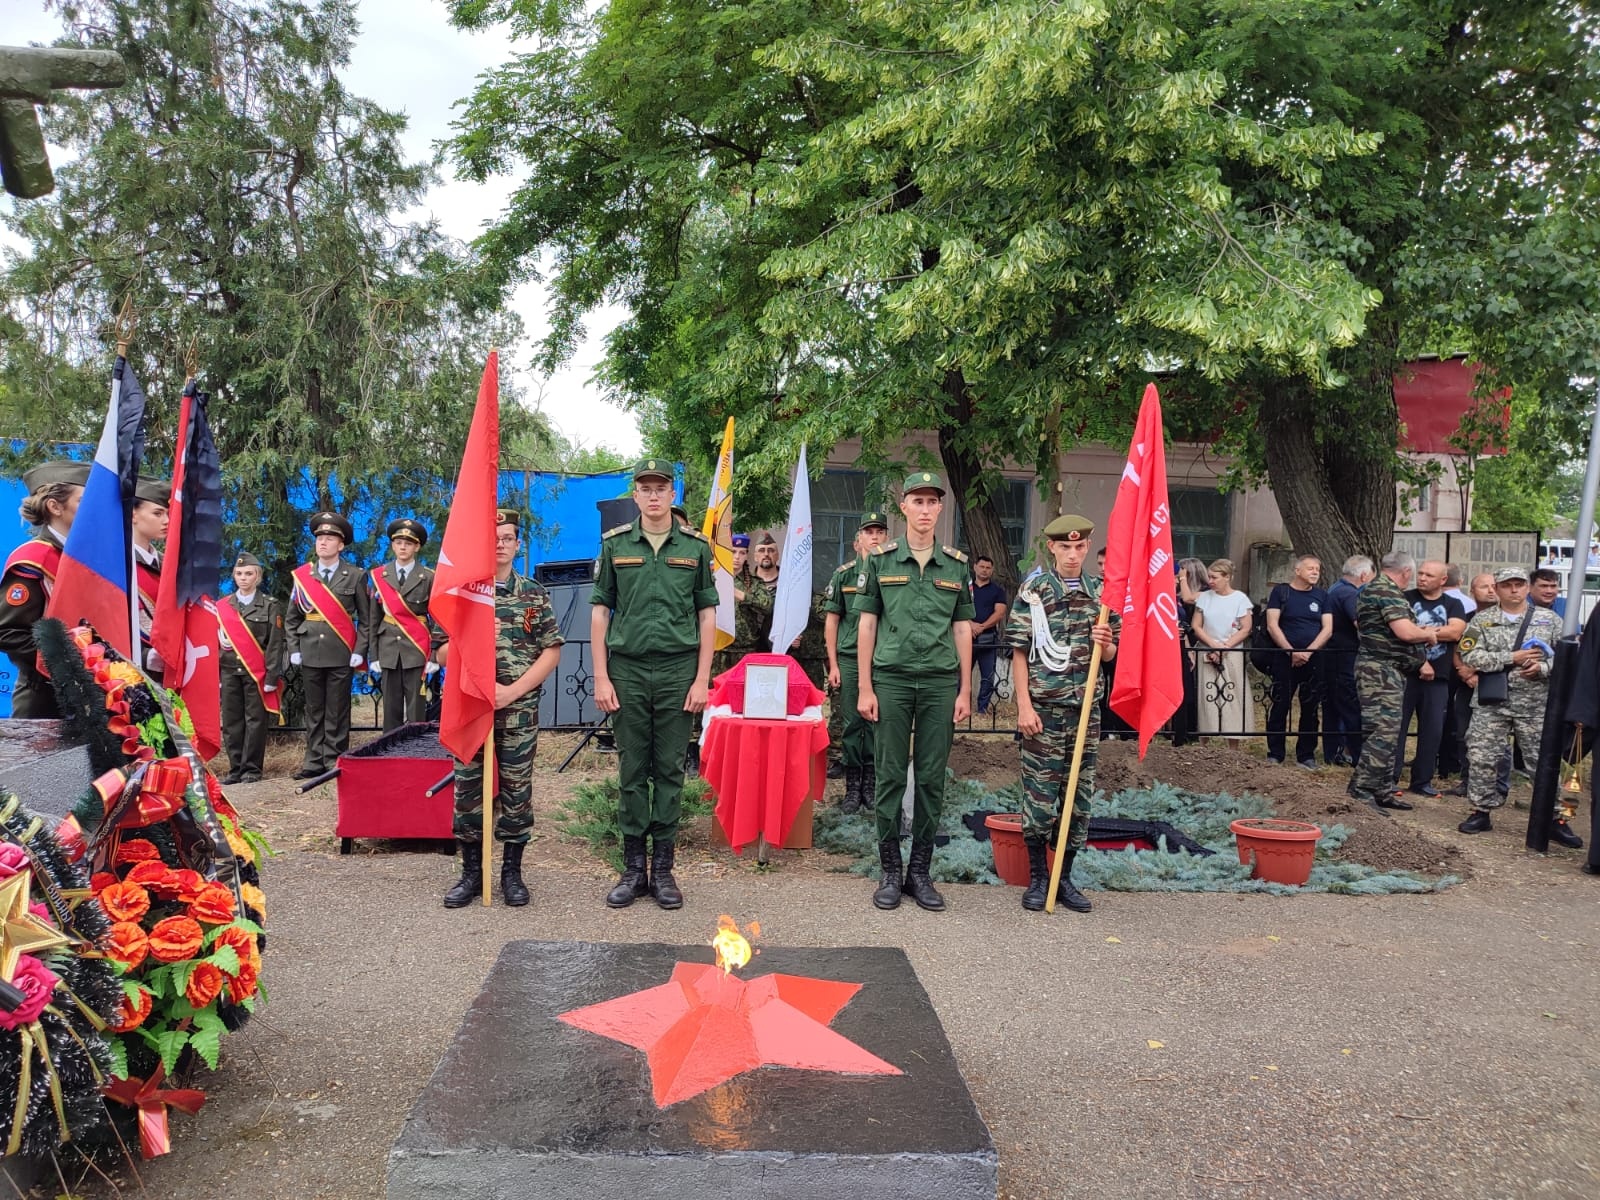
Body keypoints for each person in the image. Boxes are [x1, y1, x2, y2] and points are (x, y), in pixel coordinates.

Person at [591, 459, 718, 911]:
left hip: (677, 672)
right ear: (636, 495)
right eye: (644, 488)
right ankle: (632, 871)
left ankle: (662, 871)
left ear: (671, 494)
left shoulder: (696, 548)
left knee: (668, 771)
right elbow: (600, 612)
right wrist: (602, 676)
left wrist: (702, 678)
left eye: (660, 488)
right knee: (631, 771)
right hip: (625, 670)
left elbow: (707, 616)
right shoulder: (615, 545)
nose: (652, 496)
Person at [857, 470, 974, 912]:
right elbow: (867, 624)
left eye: (932, 502)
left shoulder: (956, 565)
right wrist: (865, 686)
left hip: (941, 683)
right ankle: (890, 872)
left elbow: (962, 628)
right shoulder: (880, 561)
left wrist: (965, 690)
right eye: (917, 502)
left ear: (940, 508)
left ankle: (920, 873)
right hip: (892, 679)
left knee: (929, 778)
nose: (925, 510)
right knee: (888, 775)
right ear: (903, 507)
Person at [438, 510, 565, 908]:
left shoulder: (532, 592)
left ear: (517, 544)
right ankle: (472, 873)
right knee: (468, 790)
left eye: (507, 538)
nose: (499, 544)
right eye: (492, 538)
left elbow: (552, 650)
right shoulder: (464, 594)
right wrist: (474, 677)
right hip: (471, 706)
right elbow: (441, 652)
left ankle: (511, 873)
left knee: (516, 790)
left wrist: (512, 692)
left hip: (519, 708)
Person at [1006, 514, 1118, 913]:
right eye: (1065, 547)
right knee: (1040, 797)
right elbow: (1019, 650)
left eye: (1079, 547)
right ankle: (1038, 879)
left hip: (1085, 711)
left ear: (1088, 548)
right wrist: (1023, 706)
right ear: (1051, 547)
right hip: (1045, 709)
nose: (1073, 554)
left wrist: (1105, 643)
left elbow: (1110, 655)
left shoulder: (1101, 591)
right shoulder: (1035, 590)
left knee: (1078, 798)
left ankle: (1064, 879)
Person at [1457, 566, 1575, 843]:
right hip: (1492, 702)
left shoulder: (1549, 620)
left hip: (1535, 703)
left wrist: (1543, 667)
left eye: (1519, 584)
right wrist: (1512, 657)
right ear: (1496, 589)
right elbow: (1469, 655)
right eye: (1507, 585)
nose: (1514, 590)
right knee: (1483, 757)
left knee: (1541, 760)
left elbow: (1567, 658)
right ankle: (1481, 810)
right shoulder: (1481, 621)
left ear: (1527, 588)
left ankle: (1555, 817)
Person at [1346, 552, 1440, 811]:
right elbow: (1405, 632)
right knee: (1383, 733)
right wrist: (1428, 634)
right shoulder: (1386, 591)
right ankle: (1361, 790)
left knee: (1389, 731)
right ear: (1406, 572)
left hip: (1388, 670)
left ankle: (1382, 789)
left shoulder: (1375, 589)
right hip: (1379, 672)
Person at [286, 511, 372, 779]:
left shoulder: (355, 576)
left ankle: (335, 760)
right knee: (314, 710)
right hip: (310, 652)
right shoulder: (303, 577)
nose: (323, 542)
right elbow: (291, 619)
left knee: (337, 710)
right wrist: (294, 649)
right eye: (320, 537)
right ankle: (312, 761)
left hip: (341, 652)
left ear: (341, 544)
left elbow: (366, 620)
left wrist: (359, 651)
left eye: (330, 538)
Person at [0, 461, 88, 718]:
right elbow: (7, 631)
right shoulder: (33, 558)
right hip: (43, 702)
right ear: (55, 506)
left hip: (93, 698)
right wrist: (66, 664)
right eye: (83, 501)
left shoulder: (87, 559)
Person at [824, 510, 889, 812]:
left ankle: (871, 784)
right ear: (858, 540)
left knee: (878, 722)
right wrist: (833, 664)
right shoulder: (844, 575)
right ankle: (852, 786)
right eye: (869, 532)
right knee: (852, 723)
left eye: (880, 532)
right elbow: (832, 621)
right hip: (850, 658)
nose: (875, 537)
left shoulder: (893, 571)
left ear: (887, 538)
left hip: (883, 659)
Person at [1391, 560, 1467, 797]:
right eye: (1420, 573)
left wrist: (1419, 632)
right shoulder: (1404, 598)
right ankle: (1390, 779)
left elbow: (1455, 631)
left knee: (1433, 730)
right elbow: (1400, 634)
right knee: (1397, 728)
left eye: (1429, 575)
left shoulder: (1453, 604)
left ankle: (1422, 781)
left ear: (1443, 580)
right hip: (1406, 674)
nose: (1422, 578)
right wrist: (1431, 635)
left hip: (1439, 677)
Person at [217, 552, 285, 784]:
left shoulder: (270, 605)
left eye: (249, 573)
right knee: (232, 720)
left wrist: (271, 676)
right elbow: (211, 641)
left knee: (255, 720)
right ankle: (235, 768)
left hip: (256, 673)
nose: (243, 578)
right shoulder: (223, 606)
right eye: (239, 574)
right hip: (228, 670)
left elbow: (275, 644)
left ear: (258, 577)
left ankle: (252, 769)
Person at [368, 517, 439, 732]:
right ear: (392, 545)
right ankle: (390, 751)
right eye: (398, 542)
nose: (403, 547)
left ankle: (415, 750)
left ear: (417, 547)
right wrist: (375, 655)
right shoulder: (381, 576)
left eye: (408, 543)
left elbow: (436, 619)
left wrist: (434, 656)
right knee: (390, 706)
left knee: (417, 706)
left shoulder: (428, 577)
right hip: (388, 648)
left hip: (416, 648)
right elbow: (373, 619)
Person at [1264, 554, 1332, 767]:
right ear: (1297, 570)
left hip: (1314, 659)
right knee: (1280, 704)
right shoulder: (1281, 592)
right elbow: (1272, 625)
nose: (1314, 572)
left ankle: (1306, 754)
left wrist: (1308, 652)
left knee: (1310, 707)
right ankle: (1275, 752)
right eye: (1310, 568)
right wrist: (1290, 651)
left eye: (1317, 569)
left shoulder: (1322, 596)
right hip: (1285, 659)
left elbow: (1328, 628)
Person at [1449, 572, 1509, 801]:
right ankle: (1467, 781)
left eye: (1494, 586)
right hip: (1468, 686)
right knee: (1465, 734)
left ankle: (1499, 786)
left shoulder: (1511, 619)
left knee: (1498, 739)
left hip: (1497, 685)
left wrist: (1475, 670)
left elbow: (1509, 655)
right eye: (1484, 587)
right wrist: (1464, 672)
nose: (1491, 590)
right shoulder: (1469, 619)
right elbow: (1461, 651)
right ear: (1472, 592)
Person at [1191, 558, 1253, 737]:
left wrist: (1224, 647)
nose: (1210, 581)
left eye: (1214, 577)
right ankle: (1205, 738)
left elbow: (1245, 628)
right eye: (1209, 577)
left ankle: (1233, 738)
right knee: (1207, 695)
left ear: (1227, 577)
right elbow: (1197, 625)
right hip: (1208, 650)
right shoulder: (1205, 597)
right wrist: (1212, 645)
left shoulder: (1240, 598)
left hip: (1231, 651)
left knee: (1232, 693)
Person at [1323, 555, 1373, 766]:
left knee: (1333, 707)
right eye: (1371, 577)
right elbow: (1362, 625)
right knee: (1350, 706)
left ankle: (1332, 752)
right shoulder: (1349, 594)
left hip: (1332, 655)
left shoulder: (1334, 588)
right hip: (1345, 657)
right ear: (1363, 575)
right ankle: (1357, 754)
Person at [131, 477, 170, 679]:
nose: (166, 521)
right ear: (133, 514)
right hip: (128, 678)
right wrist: (145, 656)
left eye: (167, 513)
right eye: (157, 513)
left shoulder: (169, 565)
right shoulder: (116, 565)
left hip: (171, 675)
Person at [1171, 557, 1207, 747]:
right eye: (1176, 577)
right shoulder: (1170, 597)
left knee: (1187, 692)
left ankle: (1183, 733)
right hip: (1170, 648)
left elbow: (1183, 624)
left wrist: (1188, 646)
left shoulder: (1206, 592)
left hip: (1185, 646)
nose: (1178, 580)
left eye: (1181, 576)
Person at [969, 555, 1009, 716]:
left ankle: (982, 709)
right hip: (966, 638)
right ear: (975, 567)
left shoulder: (997, 591)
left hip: (988, 639)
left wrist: (982, 627)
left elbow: (1000, 613)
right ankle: (959, 706)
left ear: (992, 571)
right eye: (982, 566)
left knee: (988, 677)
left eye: (988, 568)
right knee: (961, 675)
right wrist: (970, 625)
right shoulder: (966, 588)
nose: (984, 570)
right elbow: (956, 609)